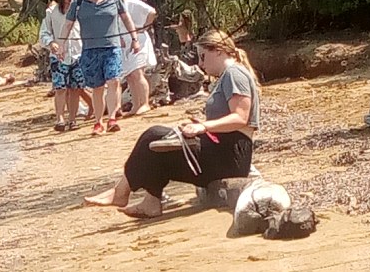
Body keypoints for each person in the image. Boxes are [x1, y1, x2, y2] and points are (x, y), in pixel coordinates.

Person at [84, 29, 260, 217]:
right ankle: (151, 202)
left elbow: (240, 117)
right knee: (159, 144)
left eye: (202, 56)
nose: (201, 64)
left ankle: (121, 193)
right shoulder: (228, 76)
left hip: (230, 156)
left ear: (218, 51)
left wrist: (203, 127)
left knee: (154, 134)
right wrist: (200, 127)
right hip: (223, 150)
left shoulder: (234, 74)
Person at [60, 0, 140, 136]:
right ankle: (98, 122)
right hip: (90, 50)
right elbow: (68, 24)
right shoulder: (78, 2)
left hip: (112, 47)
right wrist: (61, 44)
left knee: (114, 80)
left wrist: (134, 38)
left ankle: (112, 119)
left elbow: (126, 17)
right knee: (97, 87)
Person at [103, 0, 157, 116]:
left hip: (137, 40)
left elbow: (152, 12)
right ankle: (136, 104)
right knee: (130, 75)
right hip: (123, 43)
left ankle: (145, 103)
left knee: (137, 73)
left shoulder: (132, 2)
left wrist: (144, 27)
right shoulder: (112, 8)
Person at [40, 0, 90, 131]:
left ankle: (72, 120)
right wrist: (51, 43)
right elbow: (44, 33)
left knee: (75, 89)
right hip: (59, 56)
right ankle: (60, 119)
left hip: (78, 54)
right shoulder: (52, 12)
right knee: (60, 88)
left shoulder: (82, 11)